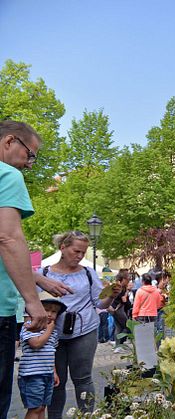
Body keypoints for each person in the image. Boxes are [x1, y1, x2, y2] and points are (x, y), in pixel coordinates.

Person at [0, 121, 72, 418]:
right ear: (9, 142)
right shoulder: (7, 175)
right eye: (30, 155)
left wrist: (37, 276)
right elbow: (7, 237)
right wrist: (33, 300)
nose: (29, 165)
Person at [42, 231, 120, 419]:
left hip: (84, 330)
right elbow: (35, 303)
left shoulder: (87, 272)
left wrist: (111, 296)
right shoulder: (43, 273)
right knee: (55, 380)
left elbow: (99, 304)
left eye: (83, 253)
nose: (79, 256)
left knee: (83, 378)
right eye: (76, 251)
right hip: (53, 334)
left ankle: (87, 416)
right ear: (63, 248)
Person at [17, 292, 66, 419]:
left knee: (43, 406)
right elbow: (36, 343)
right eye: (46, 310)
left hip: (47, 373)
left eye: (54, 312)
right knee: (35, 408)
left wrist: (53, 372)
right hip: (32, 374)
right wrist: (49, 330)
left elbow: (51, 353)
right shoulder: (30, 326)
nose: (50, 314)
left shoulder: (53, 332)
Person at [107, 270, 132, 353]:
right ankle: (119, 344)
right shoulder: (120, 288)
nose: (128, 281)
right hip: (118, 309)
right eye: (127, 279)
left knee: (119, 327)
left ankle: (118, 345)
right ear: (123, 279)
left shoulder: (120, 287)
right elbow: (124, 301)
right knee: (127, 327)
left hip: (116, 309)